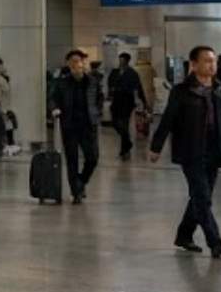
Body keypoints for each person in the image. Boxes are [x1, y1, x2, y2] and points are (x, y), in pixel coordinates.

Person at [149, 45, 221, 259]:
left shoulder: (220, 89)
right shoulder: (181, 91)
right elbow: (168, 120)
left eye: (213, 61)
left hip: (215, 149)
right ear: (193, 65)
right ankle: (216, 242)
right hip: (190, 151)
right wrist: (156, 147)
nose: (212, 65)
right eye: (206, 61)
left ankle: (184, 235)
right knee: (202, 197)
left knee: (201, 197)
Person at [48, 50, 103, 204]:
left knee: (92, 158)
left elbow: (99, 98)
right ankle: (76, 191)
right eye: (72, 61)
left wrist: (97, 113)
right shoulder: (61, 83)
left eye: (78, 60)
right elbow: (52, 98)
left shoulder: (93, 81)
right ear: (68, 64)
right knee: (72, 160)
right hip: (70, 126)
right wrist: (54, 109)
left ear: (84, 63)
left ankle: (81, 181)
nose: (76, 64)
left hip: (88, 125)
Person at [107, 53, 147, 160]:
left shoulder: (132, 73)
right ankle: (128, 143)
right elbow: (109, 83)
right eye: (120, 59)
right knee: (115, 123)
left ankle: (124, 150)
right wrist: (110, 93)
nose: (121, 62)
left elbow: (138, 88)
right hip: (116, 102)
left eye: (123, 60)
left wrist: (144, 102)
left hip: (127, 103)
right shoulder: (115, 72)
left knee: (124, 125)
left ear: (127, 61)